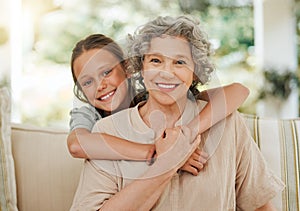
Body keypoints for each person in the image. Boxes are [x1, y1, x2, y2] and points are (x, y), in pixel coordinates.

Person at [70, 15, 284, 211]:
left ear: (195, 71)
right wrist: (167, 157)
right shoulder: (104, 131)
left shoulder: (224, 120)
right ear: (141, 67)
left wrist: (185, 136)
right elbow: (77, 144)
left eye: (180, 62)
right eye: (155, 60)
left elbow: (259, 205)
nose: (166, 72)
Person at [67, 33, 249, 175]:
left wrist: (186, 134)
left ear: (127, 68)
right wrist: (162, 154)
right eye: (87, 82)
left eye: (106, 72)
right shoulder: (88, 114)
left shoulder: (156, 96)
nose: (100, 86)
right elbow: (76, 145)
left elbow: (238, 91)